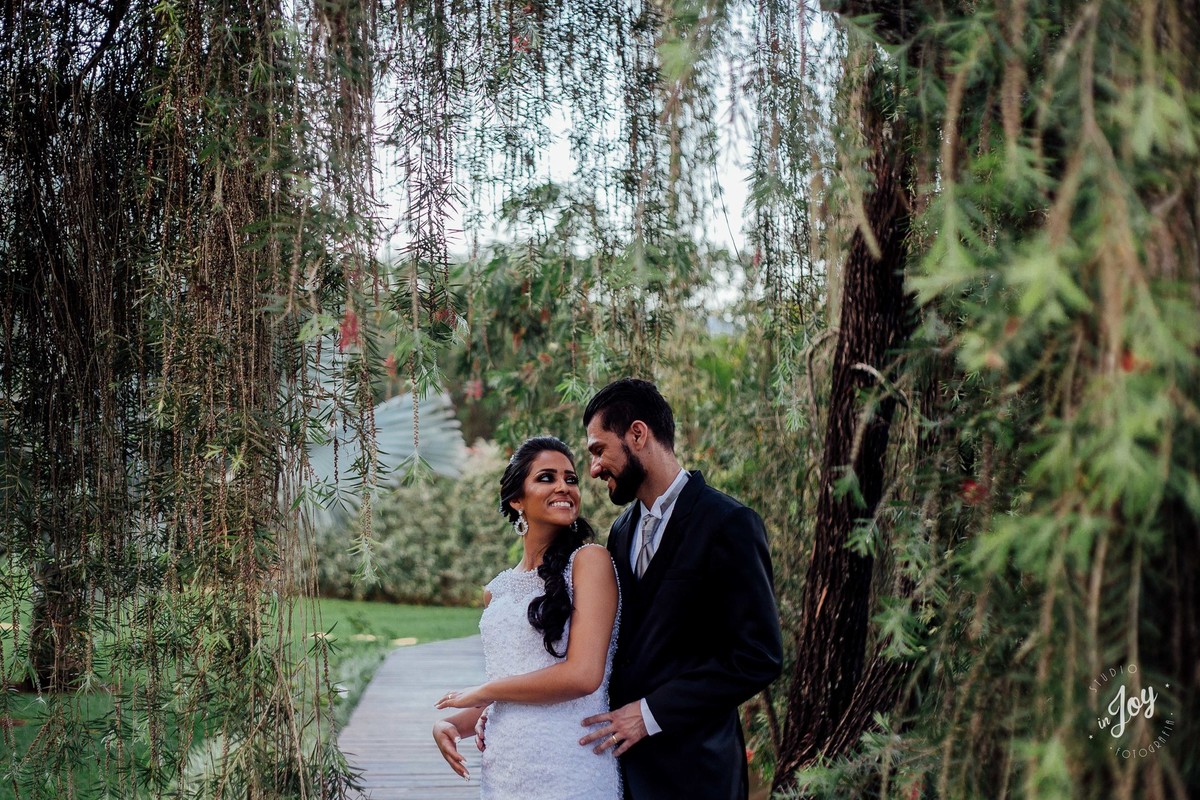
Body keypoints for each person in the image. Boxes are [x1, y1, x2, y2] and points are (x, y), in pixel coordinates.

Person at [576, 378, 783, 800]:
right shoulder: (621, 531)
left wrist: (650, 715)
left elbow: (758, 656)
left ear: (637, 433)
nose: (594, 469)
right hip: (626, 772)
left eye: (599, 450)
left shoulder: (729, 524)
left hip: (699, 773)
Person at [433, 436, 621, 799]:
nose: (564, 487)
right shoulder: (497, 591)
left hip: (571, 764)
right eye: (547, 478)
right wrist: (450, 725)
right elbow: (513, 693)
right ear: (516, 499)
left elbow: (583, 676)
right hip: (507, 768)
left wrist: (483, 692)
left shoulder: (589, 563)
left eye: (571, 478)